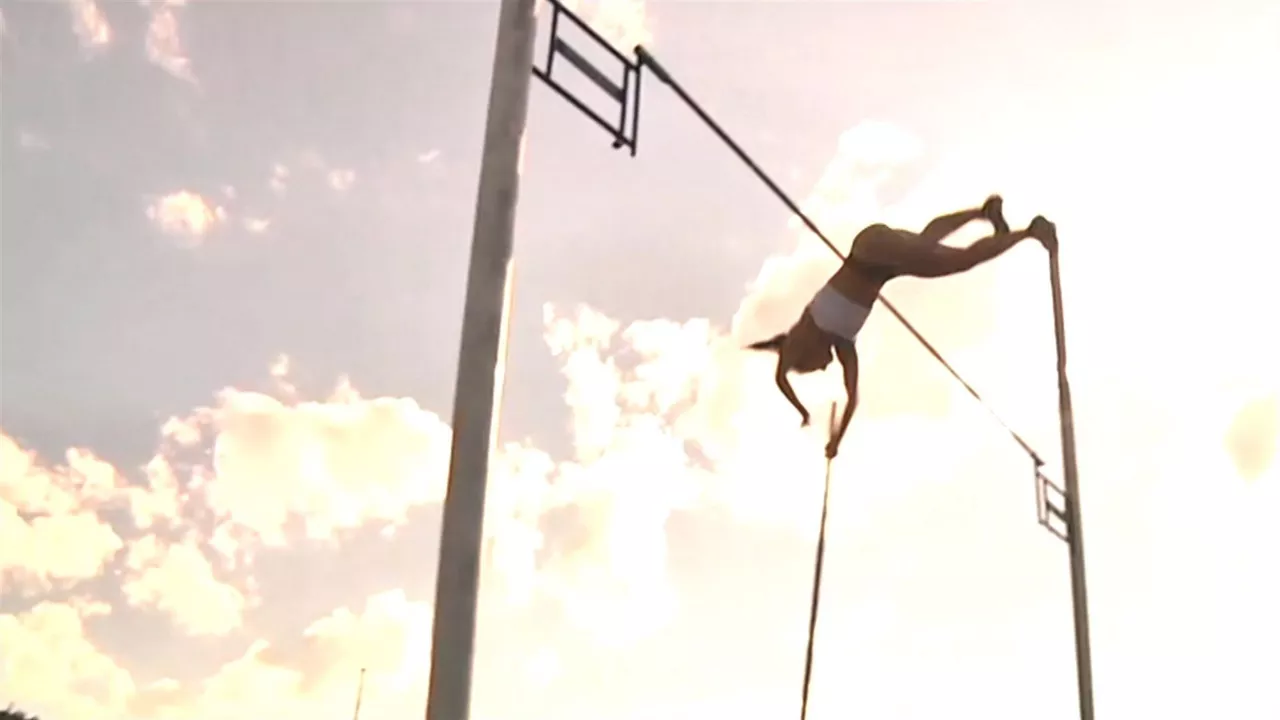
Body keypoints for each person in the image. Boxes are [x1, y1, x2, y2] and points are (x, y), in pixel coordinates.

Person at [747, 195, 1058, 459]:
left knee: (939, 252)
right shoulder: (844, 345)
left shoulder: (803, 334)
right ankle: (999, 219)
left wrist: (802, 412)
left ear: (804, 356)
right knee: (945, 253)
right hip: (884, 266)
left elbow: (780, 377)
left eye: (816, 368)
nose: (825, 367)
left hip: (869, 251)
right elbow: (852, 398)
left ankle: (1020, 228)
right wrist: (836, 441)